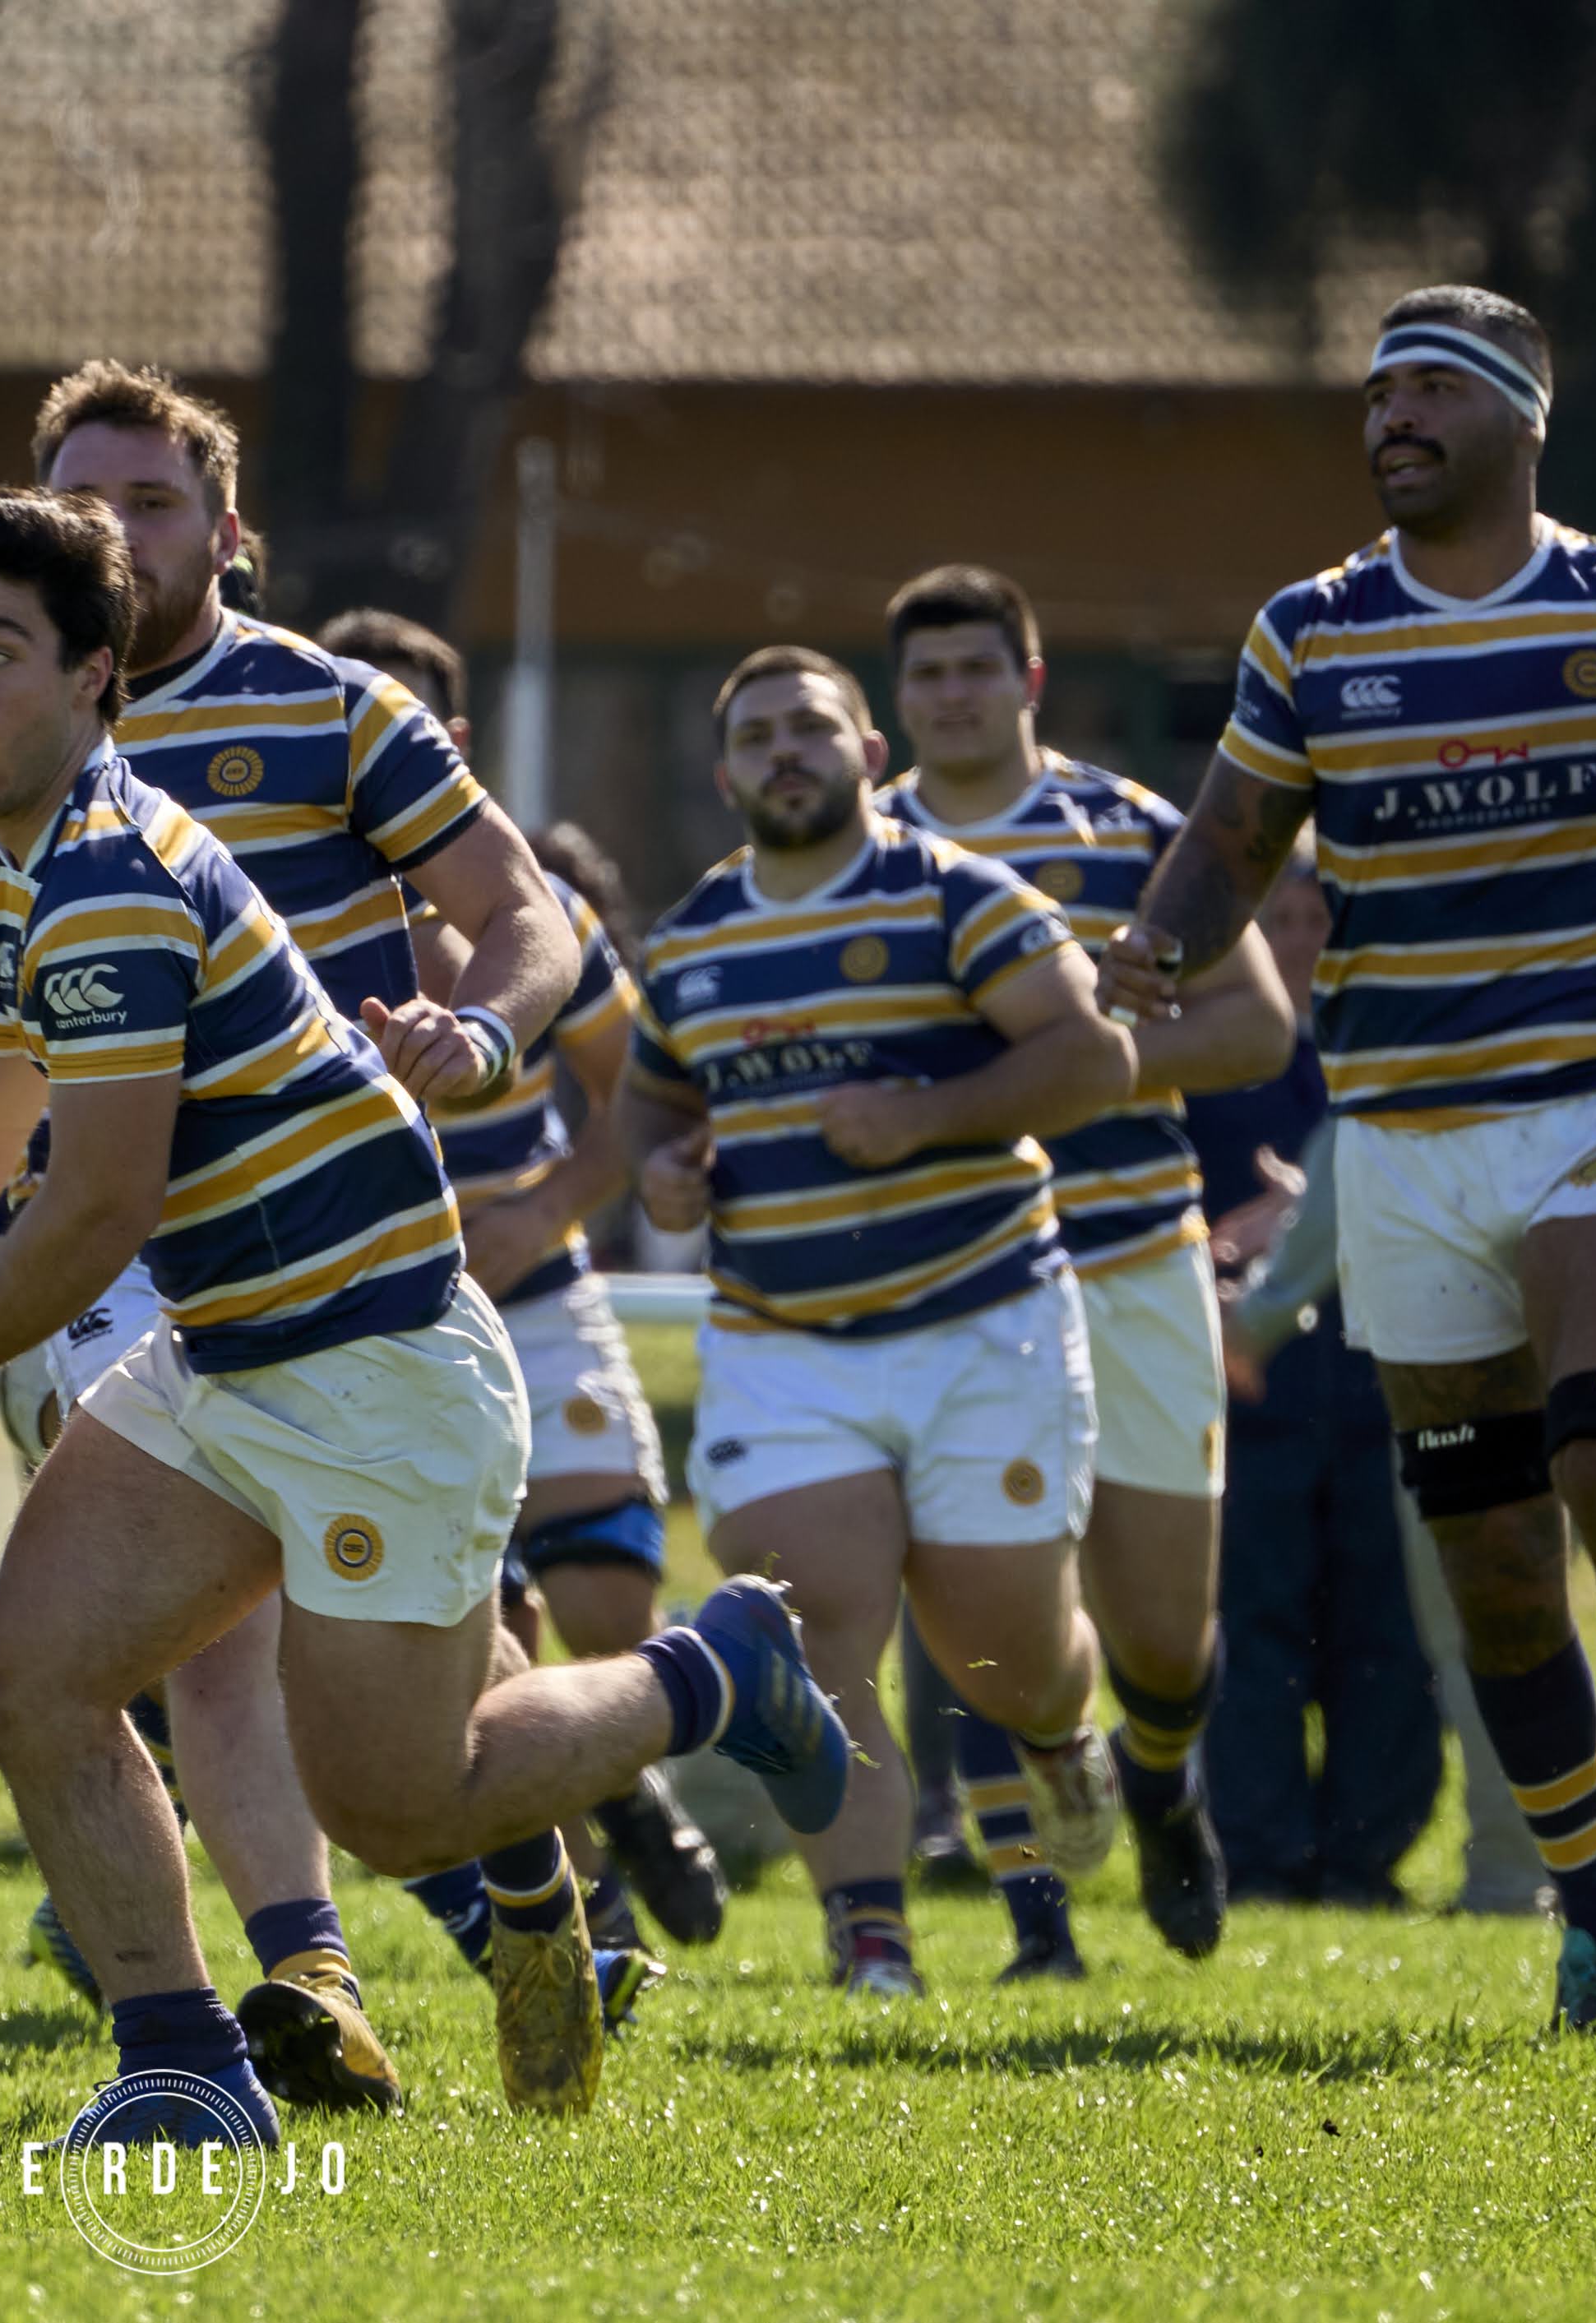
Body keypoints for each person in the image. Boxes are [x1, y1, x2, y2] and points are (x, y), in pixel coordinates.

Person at [0, 484, 848, 2140]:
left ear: (97, 681)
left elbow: (99, 1201)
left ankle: (715, 1669)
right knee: (32, 1681)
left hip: (376, 1370)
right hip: (220, 1354)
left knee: (402, 1804)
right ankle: (187, 2070)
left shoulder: (115, 875)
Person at [0, 366, 584, 2114]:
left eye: (151, 501)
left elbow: (529, 915)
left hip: (337, 1250)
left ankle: (528, 1851)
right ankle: (278, 1993)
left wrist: (477, 1031)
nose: (113, 528)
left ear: (226, 535)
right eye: (79, 499)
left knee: (390, 1731)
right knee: (133, 1646)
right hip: (122, 1243)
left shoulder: (335, 712)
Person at [1111, 285, 1596, 2034]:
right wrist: (1157, 944)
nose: (1391, 417)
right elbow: (1229, 839)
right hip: (1402, 1130)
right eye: (1377, 393)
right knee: (1491, 1561)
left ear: (1523, 418)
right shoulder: (1312, 632)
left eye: (1432, 390)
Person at [623, 647, 1136, 1999]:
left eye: (811, 728)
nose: (782, 752)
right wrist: (666, 1167)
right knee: (817, 1624)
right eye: (754, 736)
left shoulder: (956, 894)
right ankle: (870, 1933)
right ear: (724, 771)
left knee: (1001, 1653)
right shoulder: (686, 945)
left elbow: (1094, 1056)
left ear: (866, 755)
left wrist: (919, 1117)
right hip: (783, 1342)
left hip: (983, 1323)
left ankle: (1065, 1735)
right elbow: (652, 1111)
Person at [881, 564, 1298, 1971]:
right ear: (898, 699)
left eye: (975, 669)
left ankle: (1165, 1779)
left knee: (1162, 1639)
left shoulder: (1129, 830)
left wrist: (1072, 1072)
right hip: (958, 1278)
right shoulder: (867, 854)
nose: (951, 695)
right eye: (926, 674)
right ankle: (1035, 1917)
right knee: (988, 1596)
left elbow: (1256, 1031)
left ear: (1029, 680)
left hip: (1133, 1258)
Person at [317, 605, 727, 1959]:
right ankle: (576, 1878)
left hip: (539, 1300)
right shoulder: (280, 908)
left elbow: (644, 1096)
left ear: (454, 741)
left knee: (607, 1599)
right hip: (372, 1326)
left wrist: (549, 1203)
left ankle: (632, 1775)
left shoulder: (539, 914)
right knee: (460, 1632)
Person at [1192, 845, 1464, 1908]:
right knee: (1249, 1636)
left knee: (1385, 1635)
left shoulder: (1401, 1057)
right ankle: (1258, 1860)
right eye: (1281, 919)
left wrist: (1317, 1209)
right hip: (1244, 1399)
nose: (1302, 939)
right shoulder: (1209, 1063)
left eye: (1322, 918)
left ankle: (1362, 1860)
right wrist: (1239, 1234)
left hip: (1383, 1383)